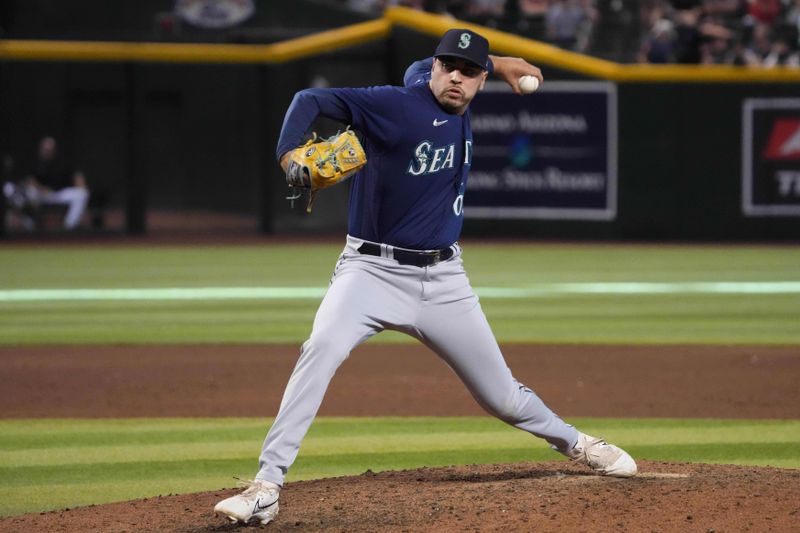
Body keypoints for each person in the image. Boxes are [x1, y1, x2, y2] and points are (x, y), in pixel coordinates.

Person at [214, 28, 637, 526]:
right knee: (320, 350)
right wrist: (289, 155)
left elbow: (456, 65)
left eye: (469, 70)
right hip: (368, 271)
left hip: (444, 281)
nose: (454, 76)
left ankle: (577, 443)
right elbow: (309, 99)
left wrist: (500, 62)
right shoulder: (396, 103)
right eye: (447, 66)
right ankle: (267, 485)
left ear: (480, 80)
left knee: (501, 396)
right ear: (433, 68)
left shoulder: (450, 87)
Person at [24, 136, 90, 230]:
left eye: (50, 149)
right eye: (45, 149)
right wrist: (42, 189)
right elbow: (30, 181)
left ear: (54, 150)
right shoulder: (36, 163)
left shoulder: (62, 162)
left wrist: (80, 183)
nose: (47, 152)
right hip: (42, 194)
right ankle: (31, 227)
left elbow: (76, 175)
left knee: (82, 193)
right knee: (29, 192)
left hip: (59, 193)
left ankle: (69, 227)